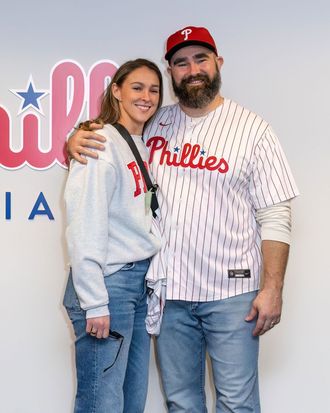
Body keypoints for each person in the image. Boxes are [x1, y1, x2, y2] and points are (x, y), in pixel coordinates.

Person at [67, 26, 299, 413]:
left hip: (232, 295)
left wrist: (272, 288)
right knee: (181, 402)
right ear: (170, 70)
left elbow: (276, 213)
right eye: (180, 62)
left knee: (237, 403)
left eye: (200, 59)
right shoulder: (154, 123)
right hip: (169, 293)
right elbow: (108, 142)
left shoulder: (254, 130)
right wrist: (75, 138)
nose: (192, 69)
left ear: (218, 63)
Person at [63, 58, 163, 413]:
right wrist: (95, 301)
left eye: (154, 89)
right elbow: (85, 223)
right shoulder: (99, 141)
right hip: (108, 284)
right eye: (137, 87)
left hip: (136, 283)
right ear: (117, 91)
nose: (146, 96)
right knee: (101, 403)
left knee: (130, 400)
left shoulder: (138, 144)